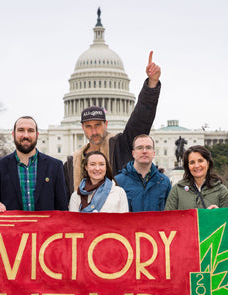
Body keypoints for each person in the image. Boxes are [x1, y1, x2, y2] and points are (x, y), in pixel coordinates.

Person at [65, 51, 162, 194]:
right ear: (82, 128)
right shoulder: (71, 164)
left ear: (106, 124)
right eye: (89, 127)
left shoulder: (120, 146)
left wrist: (152, 84)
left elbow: (141, 120)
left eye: (98, 125)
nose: (94, 131)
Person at [0, 116, 68, 211]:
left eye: (30, 131)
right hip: (14, 225)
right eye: (21, 130)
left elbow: (62, 208)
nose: (26, 135)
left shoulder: (55, 166)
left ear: (37, 135)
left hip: (45, 225)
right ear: (13, 134)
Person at [114, 134, 171, 211]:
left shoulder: (164, 181)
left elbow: (170, 213)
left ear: (154, 153)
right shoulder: (118, 181)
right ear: (133, 153)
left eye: (148, 147)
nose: (144, 151)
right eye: (140, 148)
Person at [165, 145, 228, 210]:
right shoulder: (177, 190)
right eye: (192, 162)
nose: (196, 166)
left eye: (200, 161)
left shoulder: (221, 190)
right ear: (188, 166)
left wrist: (219, 214)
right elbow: (168, 218)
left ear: (208, 163)